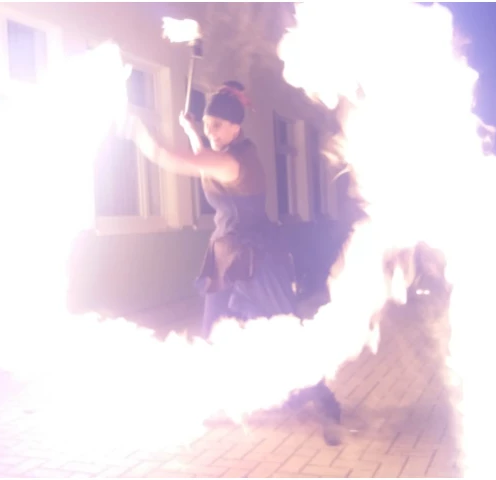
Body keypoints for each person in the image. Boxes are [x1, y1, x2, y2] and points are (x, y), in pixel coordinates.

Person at [129, 81, 343, 444]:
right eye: (208, 124)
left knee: (283, 330)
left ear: (235, 127)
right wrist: (193, 130)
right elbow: (202, 156)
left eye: (217, 125)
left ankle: (320, 397)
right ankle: (208, 398)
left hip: (257, 260)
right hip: (226, 255)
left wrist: (136, 128)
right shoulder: (225, 152)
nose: (211, 131)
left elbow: (174, 159)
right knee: (213, 329)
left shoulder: (234, 162)